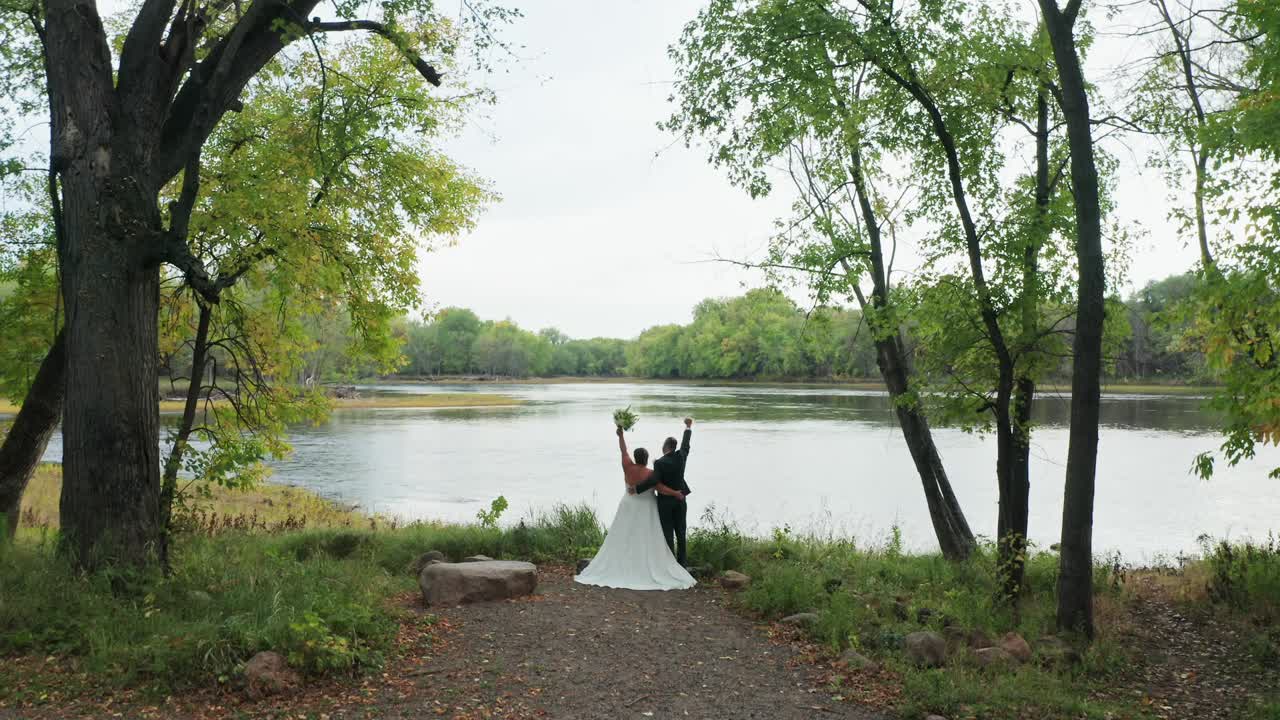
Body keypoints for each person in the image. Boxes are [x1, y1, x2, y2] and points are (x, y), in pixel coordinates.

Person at [573, 426, 696, 591]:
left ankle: (624, 561)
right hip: (647, 508)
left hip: (628, 505)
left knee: (624, 534)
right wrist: (675, 492)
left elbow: (623, 450)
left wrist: (621, 435)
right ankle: (658, 563)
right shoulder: (651, 473)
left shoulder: (627, 466)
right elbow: (660, 488)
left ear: (635, 458)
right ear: (646, 459)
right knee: (647, 536)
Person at [634, 417, 693, 566]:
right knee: (681, 531)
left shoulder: (660, 463)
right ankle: (682, 563)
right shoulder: (681, 456)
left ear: (665, 447)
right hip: (681, 499)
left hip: (665, 502)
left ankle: (670, 564)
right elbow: (686, 444)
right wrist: (688, 427)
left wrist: (636, 489)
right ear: (674, 447)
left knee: (668, 532)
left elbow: (654, 481)